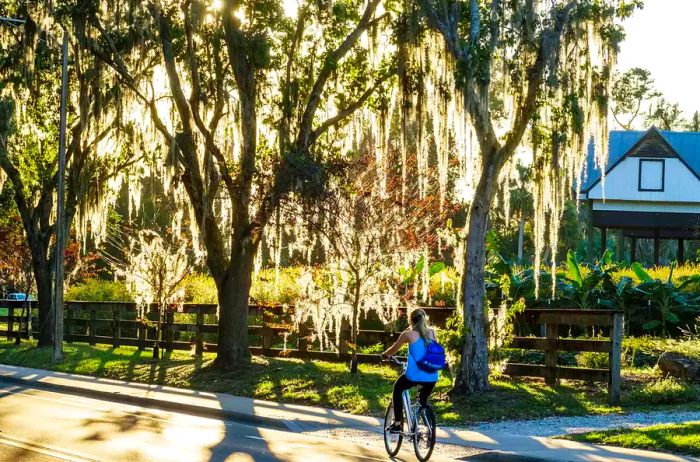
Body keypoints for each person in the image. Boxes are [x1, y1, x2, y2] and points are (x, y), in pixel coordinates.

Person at [381, 308, 439, 432]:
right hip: (432, 376)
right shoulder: (433, 333)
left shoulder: (408, 334)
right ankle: (429, 429)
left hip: (414, 375)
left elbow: (393, 350)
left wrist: (385, 355)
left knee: (398, 388)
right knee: (422, 401)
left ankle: (397, 424)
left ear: (411, 320)